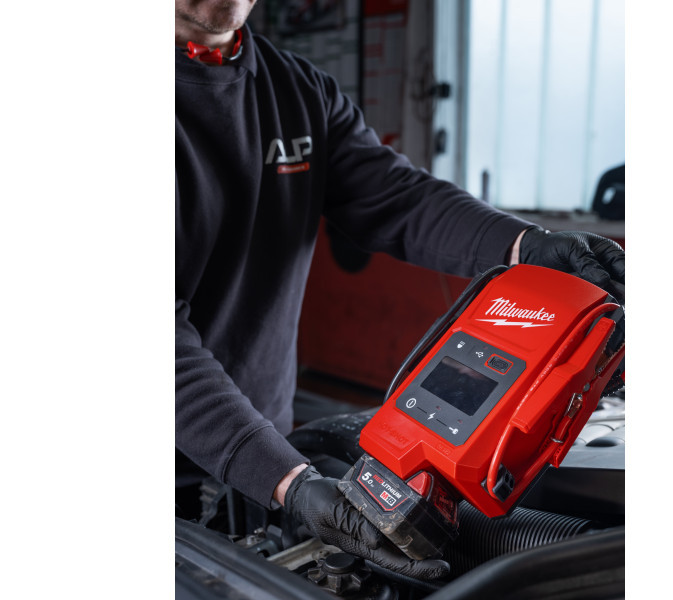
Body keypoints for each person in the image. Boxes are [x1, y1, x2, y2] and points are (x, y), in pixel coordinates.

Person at [175, 0, 624, 580]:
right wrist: (289, 481)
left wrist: (524, 245)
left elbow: (397, 198)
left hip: (266, 453)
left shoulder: (300, 91)